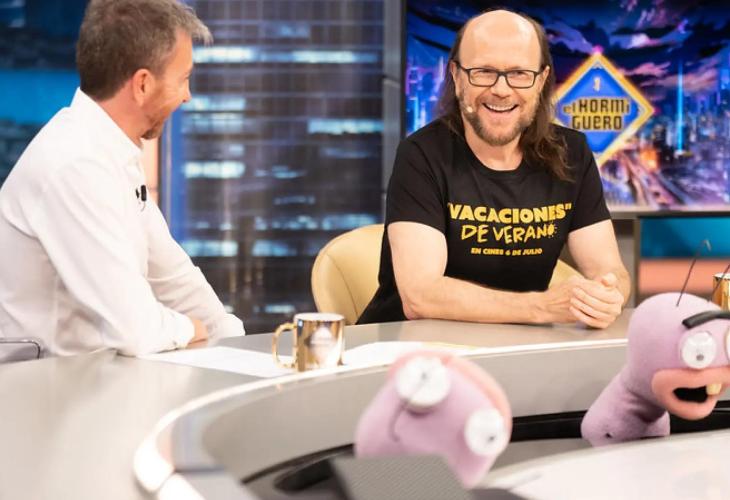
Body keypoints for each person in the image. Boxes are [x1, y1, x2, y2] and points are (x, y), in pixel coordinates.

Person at [0, 0, 244, 356]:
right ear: (142, 84)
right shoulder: (74, 163)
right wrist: (193, 328)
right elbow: (136, 330)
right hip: (41, 383)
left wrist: (231, 336)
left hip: (92, 376)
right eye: (183, 79)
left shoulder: (111, 153)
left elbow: (174, 279)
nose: (187, 96)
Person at [359, 9, 630, 328]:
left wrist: (607, 296)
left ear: (541, 81)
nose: (501, 89)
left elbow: (610, 270)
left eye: (519, 73)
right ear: (457, 77)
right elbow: (421, 296)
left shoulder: (573, 152)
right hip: (411, 350)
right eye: (484, 71)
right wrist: (541, 308)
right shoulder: (420, 155)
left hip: (519, 347)